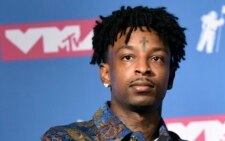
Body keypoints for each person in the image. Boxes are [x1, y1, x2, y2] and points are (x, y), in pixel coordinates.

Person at [42, 5, 187, 141]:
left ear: (171, 76)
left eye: (156, 58)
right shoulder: (62, 138)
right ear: (105, 73)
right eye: (128, 57)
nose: (143, 68)